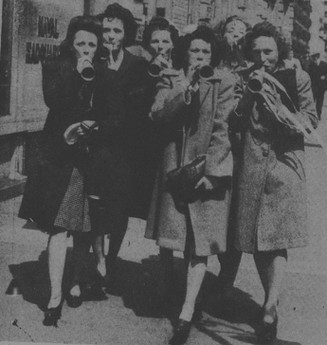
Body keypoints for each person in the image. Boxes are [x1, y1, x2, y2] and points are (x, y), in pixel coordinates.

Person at [145, 26, 236, 344]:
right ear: (185, 52)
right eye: (195, 51)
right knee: (170, 238)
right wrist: (185, 89)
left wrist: (211, 170)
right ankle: (165, 287)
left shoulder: (224, 82)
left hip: (204, 172)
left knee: (200, 246)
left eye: (206, 52)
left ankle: (186, 312)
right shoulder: (170, 77)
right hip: (173, 168)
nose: (199, 57)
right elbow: (158, 116)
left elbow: (223, 128)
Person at [231, 22, 317, 343]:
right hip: (253, 166)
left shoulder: (299, 78)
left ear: (279, 49)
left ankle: (269, 306)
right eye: (256, 52)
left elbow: (310, 119)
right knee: (256, 238)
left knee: (276, 237)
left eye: (268, 51)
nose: (262, 57)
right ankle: (271, 298)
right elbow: (235, 121)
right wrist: (248, 94)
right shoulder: (243, 77)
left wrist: (283, 113)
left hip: (284, 166)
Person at [18, 15, 103, 326]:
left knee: (83, 225)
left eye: (92, 44)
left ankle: (77, 281)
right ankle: (55, 295)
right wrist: (78, 75)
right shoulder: (55, 66)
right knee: (59, 225)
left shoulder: (104, 70)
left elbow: (111, 110)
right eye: (80, 43)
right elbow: (53, 100)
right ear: (71, 43)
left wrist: (95, 126)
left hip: (89, 157)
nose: (86, 49)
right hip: (59, 155)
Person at [86, 3, 151, 289]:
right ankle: (99, 260)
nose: (110, 35)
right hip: (97, 147)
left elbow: (136, 110)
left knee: (120, 210)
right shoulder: (93, 63)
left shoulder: (137, 66)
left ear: (126, 34)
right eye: (106, 30)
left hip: (126, 150)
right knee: (96, 208)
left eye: (116, 30)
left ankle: (112, 258)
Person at [308, 51, 327, 120]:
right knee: (312, 101)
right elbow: (309, 74)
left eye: (314, 57)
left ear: (317, 57)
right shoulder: (311, 65)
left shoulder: (324, 64)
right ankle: (312, 115)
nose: (313, 58)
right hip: (314, 86)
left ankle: (319, 115)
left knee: (320, 101)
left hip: (321, 86)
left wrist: (325, 76)